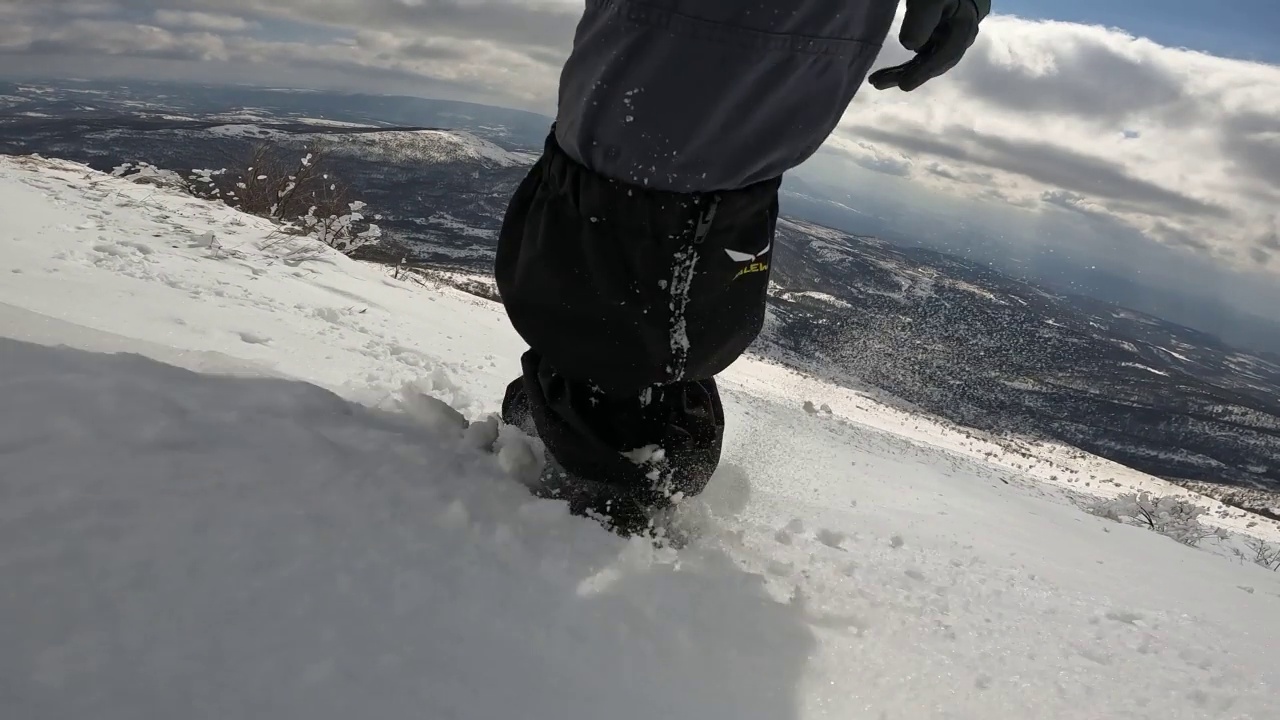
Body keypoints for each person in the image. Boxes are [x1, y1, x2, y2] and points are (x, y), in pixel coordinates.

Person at [496, 0, 990, 534]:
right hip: (729, 91)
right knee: (628, 320)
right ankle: (590, 499)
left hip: (704, 91)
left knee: (622, 309)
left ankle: (584, 493)